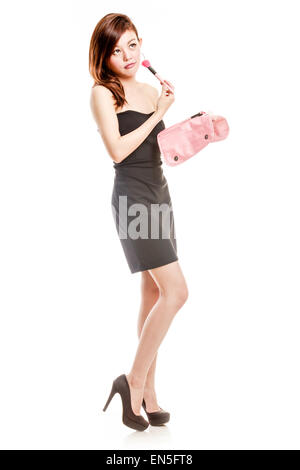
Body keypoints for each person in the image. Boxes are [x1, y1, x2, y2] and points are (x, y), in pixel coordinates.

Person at [89, 13, 189, 431]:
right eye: (115, 50)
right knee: (177, 292)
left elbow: (160, 150)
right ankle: (131, 381)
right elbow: (117, 151)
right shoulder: (102, 93)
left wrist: (190, 128)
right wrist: (157, 113)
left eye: (131, 45)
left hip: (160, 195)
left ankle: (147, 391)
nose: (126, 55)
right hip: (133, 201)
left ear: (140, 42)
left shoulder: (151, 90)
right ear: (104, 57)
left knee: (153, 291)